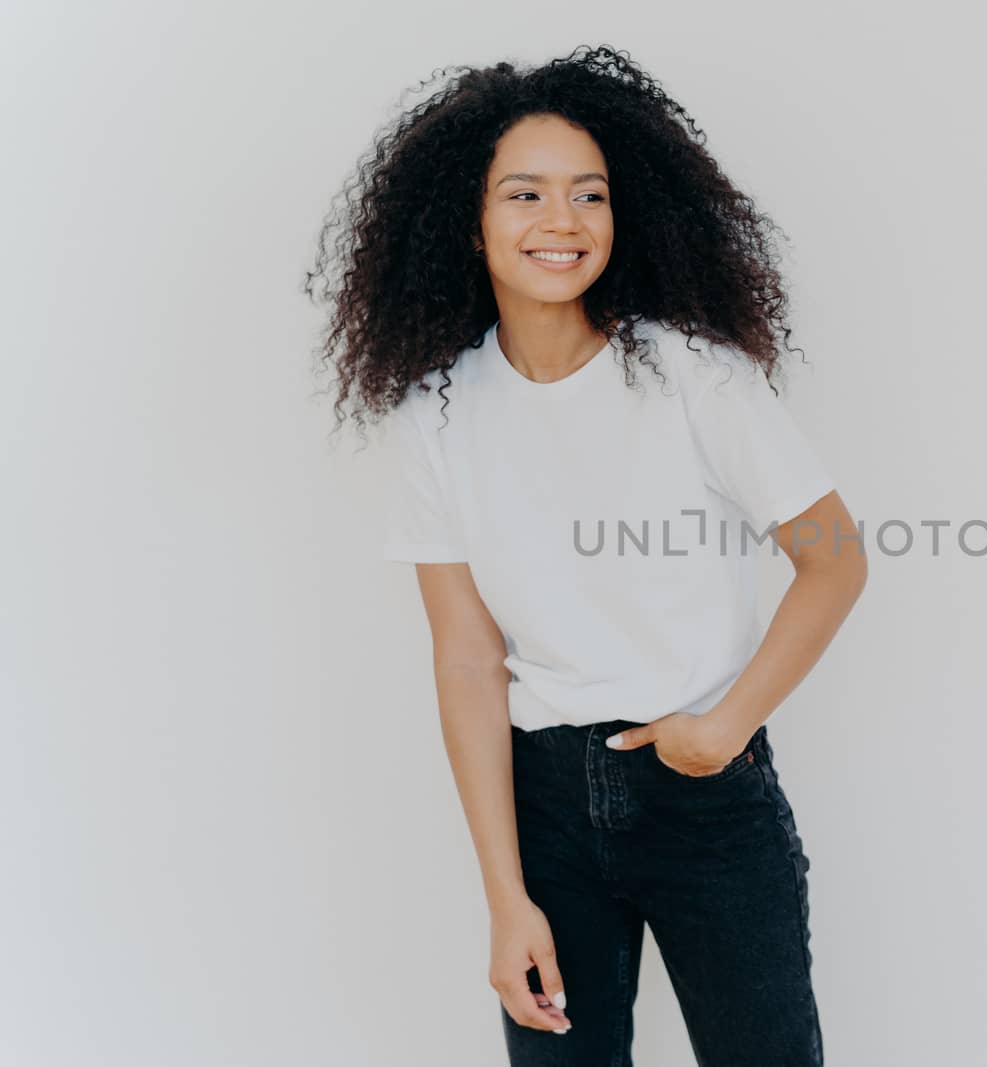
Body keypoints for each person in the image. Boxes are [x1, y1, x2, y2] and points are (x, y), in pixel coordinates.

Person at [305, 45, 867, 1066]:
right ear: (465, 220)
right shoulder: (435, 409)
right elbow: (467, 658)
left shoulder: (695, 376)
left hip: (707, 796)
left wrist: (723, 726)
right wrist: (505, 895)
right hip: (546, 807)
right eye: (524, 194)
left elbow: (835, 558)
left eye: (589, 195)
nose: (560, 223)